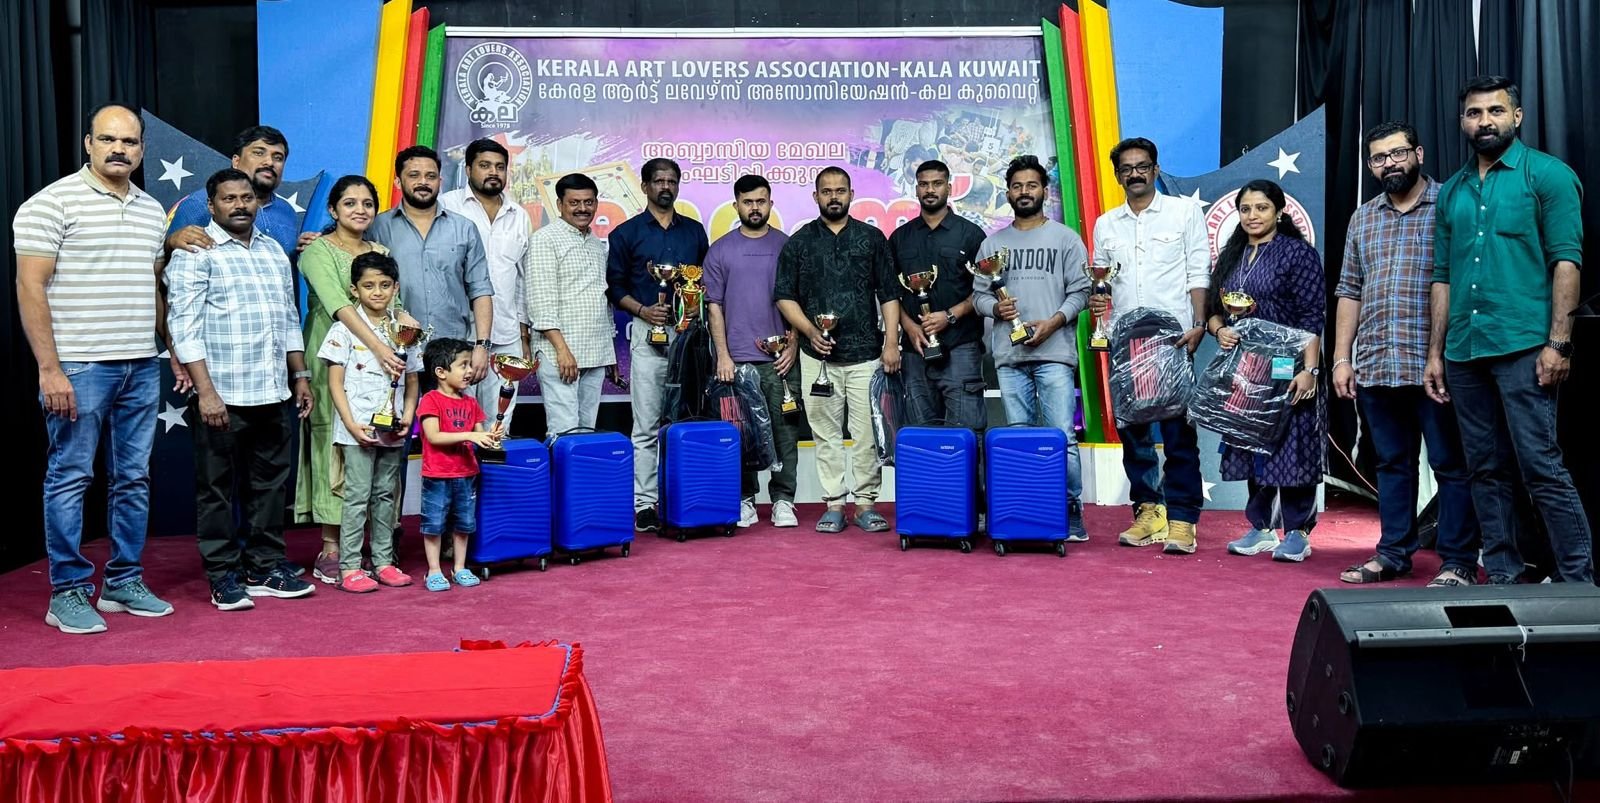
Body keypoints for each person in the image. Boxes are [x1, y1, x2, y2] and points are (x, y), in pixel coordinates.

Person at [14, 102, 174, 633]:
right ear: (88, 144)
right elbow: (29, 286)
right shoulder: (51, 203)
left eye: (129, 142)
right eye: (107, 139)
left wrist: (170, 347)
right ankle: (68, 590)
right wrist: (49, 369)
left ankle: (124, 581)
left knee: (133, 478)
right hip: (79, 365)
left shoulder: (151, 210)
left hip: (141, 365)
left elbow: (152, 287)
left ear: (142, 149)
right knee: (70, 476)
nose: (118, 149)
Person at [1426, 75, 1592, 585]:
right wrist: (1435, 354)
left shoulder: (1549, 175)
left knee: (1540, 466)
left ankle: (1579, 582)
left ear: (1516, 117)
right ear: (1462, 122)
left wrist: (1558, 343)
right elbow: (1442, 277)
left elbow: (1567, 262)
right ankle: (1502, 574)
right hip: (1464, 350)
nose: (1485, 121)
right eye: (1474, 113)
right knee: (1483, 468)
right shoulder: (1452, 191)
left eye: (1496, 111)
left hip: (1525, 345)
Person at [1334, 121, 1480, 586]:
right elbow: (1349, 290)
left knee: (1451, 466)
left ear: (1418, 153)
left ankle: (1457, 560)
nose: (1389, 164)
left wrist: (1444, 354)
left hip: (1436, 365)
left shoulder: (1450, 204)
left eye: (1397, 153)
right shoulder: (1363, 217)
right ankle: (1393, 553)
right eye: (1379, 158)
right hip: (1377, 363)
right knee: (1392, 465)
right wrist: (1342, 358)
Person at [166, 168, 316, 610]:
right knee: (216, 489)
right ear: (211, 206)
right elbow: (184, 327)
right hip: (222, 395)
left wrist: (300, 376)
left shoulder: (273, 252)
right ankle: (222, 575)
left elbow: (288, 318)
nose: (239, 205)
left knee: (270, 486)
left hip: (273, 391)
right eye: (228, 199)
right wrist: (206, 393)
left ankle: (264, 566)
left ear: (256, 201)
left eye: (246, 197)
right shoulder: (196, 253)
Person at [1089, 138, 1209, 554]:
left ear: (1155, 170)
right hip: (1126, 343)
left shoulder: (1183, 212)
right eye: (1127, 168)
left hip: (1172, 339)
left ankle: (1183, 519)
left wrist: (1198, 325)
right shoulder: (1106, 224)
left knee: (1177, 433)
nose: (1135, 174)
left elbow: (1199, 270)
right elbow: (1101, 282)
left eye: (1142, 166)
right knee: (1134, 433)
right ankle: (1149, 512)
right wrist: (1099, 309)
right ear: (1117, 175)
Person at [775, 166, 902, 534]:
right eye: (827, 191)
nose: (834, 197)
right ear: (816, 196)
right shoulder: (799, 243)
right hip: (817, 358)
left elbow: (889, 294)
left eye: (840, 190)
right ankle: (833, 503)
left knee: (866, 435)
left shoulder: (872, 238)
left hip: (866, 354)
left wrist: (891, 342)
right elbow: (784, 296)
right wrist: (810, 331)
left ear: (851, 194)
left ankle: (865, 504)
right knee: (825, 435)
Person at [1207, 179, 1326, 563]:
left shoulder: (1297, 254)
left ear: (1279, 212)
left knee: (1292, 448)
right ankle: (1261, 528)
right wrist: (1220, 330)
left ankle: (1297, 532)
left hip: (1288, 365)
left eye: (1261, 208)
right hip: (1246, 370)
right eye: (1245, 209)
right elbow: (1213, 312)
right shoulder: (1232, 255)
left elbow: (1312, 317)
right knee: (1250, 447)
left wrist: (1310, 371)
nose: (1252, 215)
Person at [972, 155, 1090, 543]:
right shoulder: (992, 244)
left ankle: (1070, 509)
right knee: (1018, 438)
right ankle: (1026, 509)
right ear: (1008, 193)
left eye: (1032, 185)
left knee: (1061, 436)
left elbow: (1081, 292)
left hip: (1054, 354)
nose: (1024, 192)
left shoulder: (1065, 239)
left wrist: (1053, 322)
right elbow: (978, 298)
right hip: (1010, 358)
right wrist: (996, 309)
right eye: (1017, 186)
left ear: (1044, 191)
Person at [295, 175, 406, 582]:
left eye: (367, 203)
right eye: (350, 203)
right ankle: (332, 546)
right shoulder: (317, 251)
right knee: (335, 443)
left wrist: (404, 340)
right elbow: (339, 306)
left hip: (383, 364)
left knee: (378, 441)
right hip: (334, 357)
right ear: (333, 209)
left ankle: (375, 548)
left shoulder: (380, 252)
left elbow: (396, 306)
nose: (360, 210)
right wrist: (378, 347)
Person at [605, 158, 710, 531]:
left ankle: (684, 498)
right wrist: (643, 310)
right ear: (645, 186)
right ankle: (645, 503)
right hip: (646, 334)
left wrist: (694, 308)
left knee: (687, 421)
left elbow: (704, 283)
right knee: (647, 424)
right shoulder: (626, 233)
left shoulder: (694, 232)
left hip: (689, 337)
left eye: (672, 181)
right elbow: (615, 288)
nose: (666, 186)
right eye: (659, 181)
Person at [319, 252, 420, 593]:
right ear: (354, 290)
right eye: (369, 286)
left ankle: (384, 561)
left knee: (386, 496)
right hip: (358, 429)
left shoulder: (405, 330)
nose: (377, 292)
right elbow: (334, 382)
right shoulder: (343, 329)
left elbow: (413, 380)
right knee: (357, 496)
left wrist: (408, 416)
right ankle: (349, 566)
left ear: (396, 288)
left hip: (394, 428)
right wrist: (350, 424)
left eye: (385, 285)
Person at [706, 174, 799, 528]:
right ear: (736, 206)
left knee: (785, 432)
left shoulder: (788, 246)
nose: (755, 208)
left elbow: (799, 302)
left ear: (771, 203)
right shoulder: (720, 250)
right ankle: (745, 498)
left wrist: (793, 344)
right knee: (740, 434)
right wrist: (723, 356)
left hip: (780, 361)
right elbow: (714, 307)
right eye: (748, 202)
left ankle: (783, 500)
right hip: (736, 362)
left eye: (761, 201)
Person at [367, 145, 494, 367]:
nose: (423, 182)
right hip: (394, 350)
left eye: (431, 176)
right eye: (414, 175)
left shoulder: (464, 228)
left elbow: (480, 290)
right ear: (398, 182)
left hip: (453, 353)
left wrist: (482, 345)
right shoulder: (377, 228)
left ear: (440, 181)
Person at [440, 138, 533, 433]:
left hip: (506, 334)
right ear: (468, 169)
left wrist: (523, 333)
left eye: (500, 167)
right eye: (485, 165)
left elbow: (523, 279)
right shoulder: (447, 206)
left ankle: (494, 466)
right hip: (458, 333)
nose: (493, 172)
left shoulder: (519, 215)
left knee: (499, 425)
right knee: (457, 424)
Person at [890, 159, 988, 433]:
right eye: (924, 184)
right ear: (916, 189)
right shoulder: (900, 238)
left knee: (966, 434)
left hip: (961, 346)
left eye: (937, 184)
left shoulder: (971, 235)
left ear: (949, 187)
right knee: (923, 438)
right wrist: (909, 326)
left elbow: (984, 289)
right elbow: (890, 292)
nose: (930, 190)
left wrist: (950, 316)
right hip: (915, 351)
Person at [525, 173, 616, 434]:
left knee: (586, 433)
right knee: (564, 430)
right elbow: (541, 302)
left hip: (595, 351)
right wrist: (562, 350)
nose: (582, 208)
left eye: (588, 202)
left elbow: (602, 298)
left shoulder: (596, 244)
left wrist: (609, 354)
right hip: (561, 353)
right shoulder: (545, 239)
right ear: (560, 204)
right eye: (574, 202)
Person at [417, 338, 502, 592]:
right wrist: (470, 435)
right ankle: (434, 570)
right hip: (437, 475)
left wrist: (491, 436)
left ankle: (460, 567)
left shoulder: (471, 403)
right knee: (434, 524)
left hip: (466, 474)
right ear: (441, 372)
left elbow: (480, 437)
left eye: (469, 365)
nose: (469, 371)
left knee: (464, 523)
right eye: (463, 365)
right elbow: (434, 436)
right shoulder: (430, 400)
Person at [166, 125, 315, 256]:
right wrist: (170, 243)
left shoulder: (287, 211)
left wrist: (300, 249)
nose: (269, 162)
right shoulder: (199, 203)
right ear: (236, 161)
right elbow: (168, 258)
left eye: (278, 158)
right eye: (259, 153)